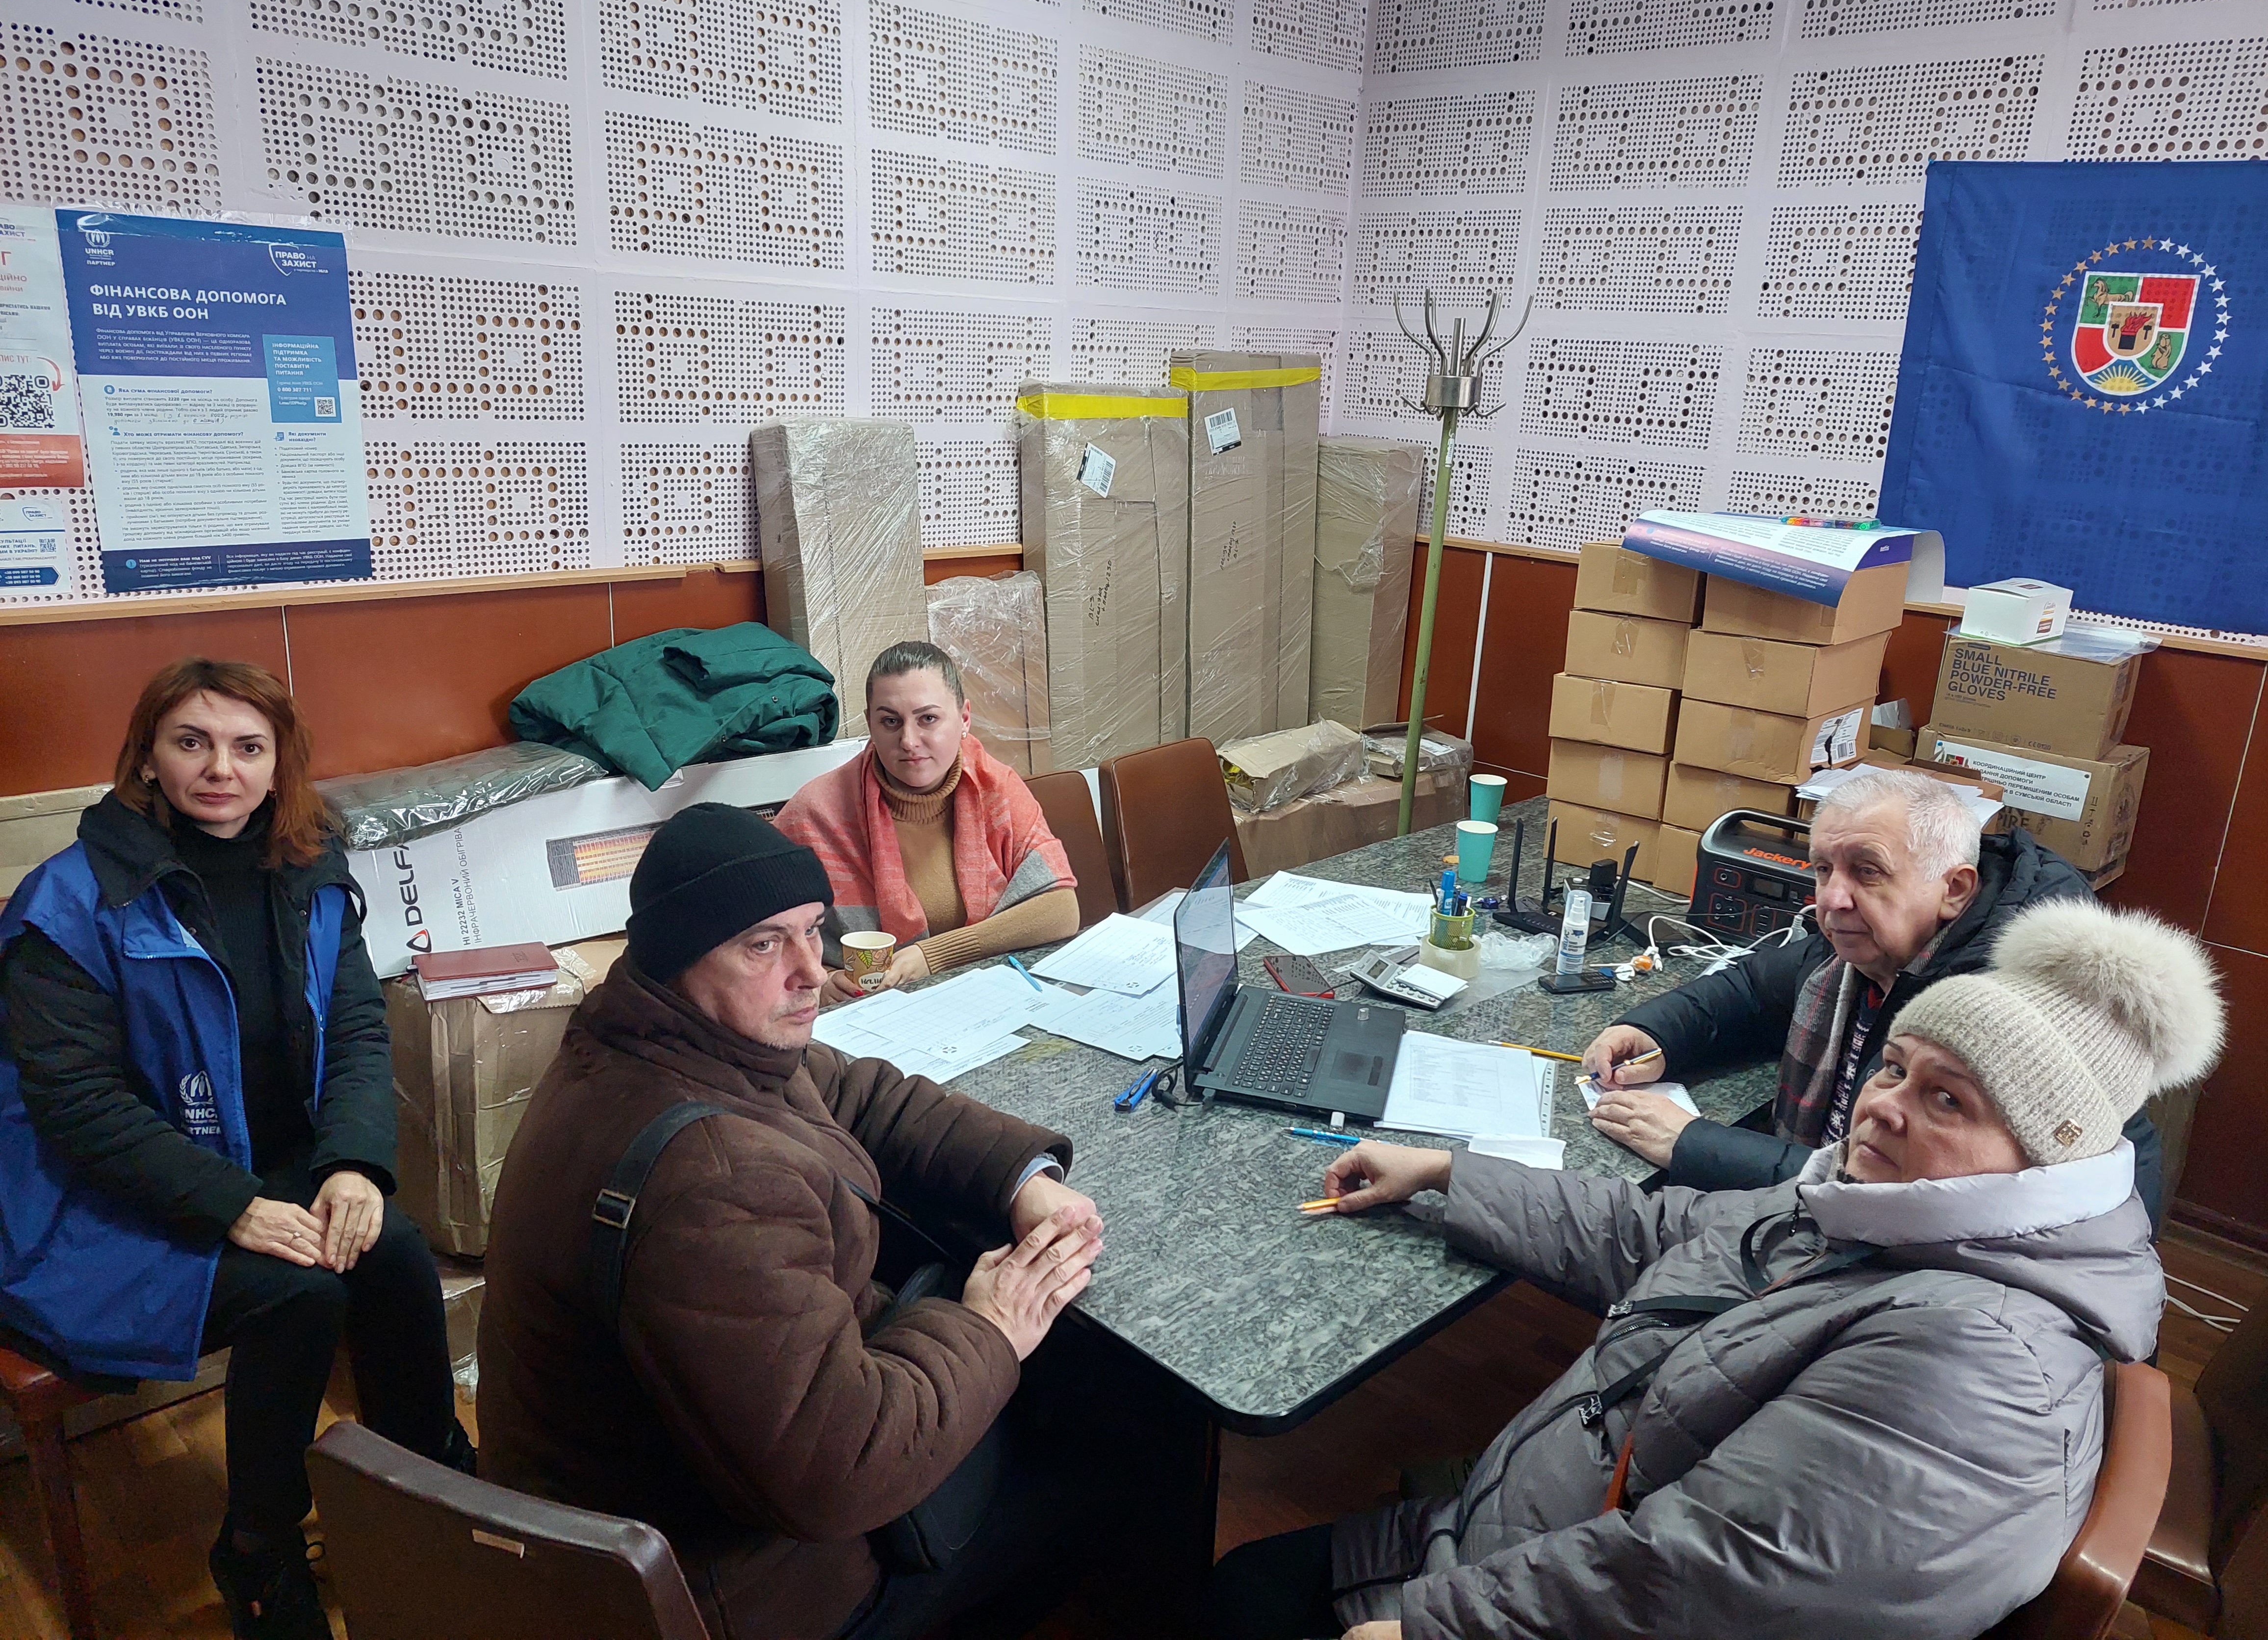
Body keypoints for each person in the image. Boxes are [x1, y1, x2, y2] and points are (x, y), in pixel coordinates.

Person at [1209, 897, 2222, 1640]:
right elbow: (1667, 1231)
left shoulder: (1976, 1364)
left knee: (1242, 1596)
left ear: (2046, 1154)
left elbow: (1703, 1581)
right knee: (1246, 1586)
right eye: (1893, 1069)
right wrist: (1447, 1174)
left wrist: (1436, 1628)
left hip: (1527, 1590)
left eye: (1946, 1100)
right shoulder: (1896, 1218)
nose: (1881, 1106)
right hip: (1526, 1531)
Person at [476, 803, 1119, 1640]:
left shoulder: (653, 1038)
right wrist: (988, 1324)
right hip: (746, 1600)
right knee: (1114, 1456)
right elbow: (839, 1469)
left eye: (812, 931)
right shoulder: (711, 1178)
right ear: (677, 956)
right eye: (761, 943)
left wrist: (1019, 1176)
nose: (810, 971)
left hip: (651, 1516)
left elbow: (850, 1089)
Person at [0, 658, 465, 1640]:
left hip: (269, 1156)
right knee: (299, 1293)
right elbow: (75, 1105)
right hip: (105, 1190)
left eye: (248, 747)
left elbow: (355, 1028)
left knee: (396, 1256)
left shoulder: (309, 863)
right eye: (193, 742)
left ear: (279, 762)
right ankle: (258, 1551)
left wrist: (352, 1163)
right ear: (148, 757)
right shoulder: (68, 900)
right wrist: (235, 1206)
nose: (222, 768)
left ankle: (440, 1496)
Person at [1582, 769, 2165, 1219]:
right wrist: (1654, 1030)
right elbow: (1753, 987)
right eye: (1821, 870)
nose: (1830, 899)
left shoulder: (2002, 1013)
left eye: (1866, 872)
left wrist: (1691, 1145)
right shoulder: (1872, 945)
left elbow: (1905, 1189)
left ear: (1955, 891)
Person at [774, 640, 1079, 1003]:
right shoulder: (813, 814)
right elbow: (759, 942)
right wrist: (820, 981)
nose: (908, 740)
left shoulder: (998, 790)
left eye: (928, 719)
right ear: (870, 722)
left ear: (964, 718)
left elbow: (1060, 909)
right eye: (890, 722)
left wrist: (935, 955)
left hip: (988, 1000)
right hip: (866, 1016)